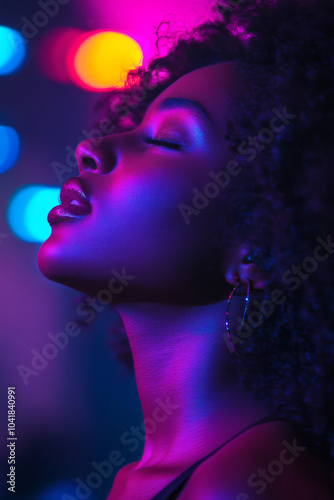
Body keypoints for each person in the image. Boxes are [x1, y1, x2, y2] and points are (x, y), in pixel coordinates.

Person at [38, 0, 334, 498]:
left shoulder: (248, 485)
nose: (94, 147)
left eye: (168, 140)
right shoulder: (148, 479)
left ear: (262, 246)